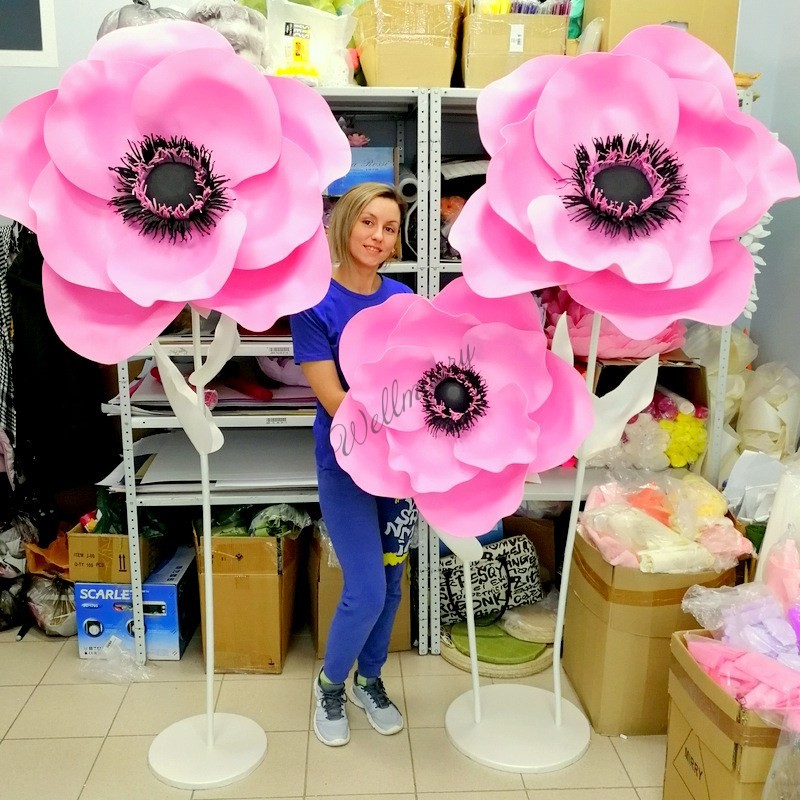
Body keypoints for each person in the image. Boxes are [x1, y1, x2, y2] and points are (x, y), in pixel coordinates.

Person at [290, 182, 418, 747]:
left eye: (389, 228)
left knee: (391, 583)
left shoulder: (403, 299)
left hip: (403, 467)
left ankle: (369, 679)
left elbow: (422, 374)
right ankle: (329, 685)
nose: (378, 236)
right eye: (368, 222)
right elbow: (333, 399)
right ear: (345, 223)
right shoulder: (314, 302)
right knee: (364, 589)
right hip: (345, 465)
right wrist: (404, 416)